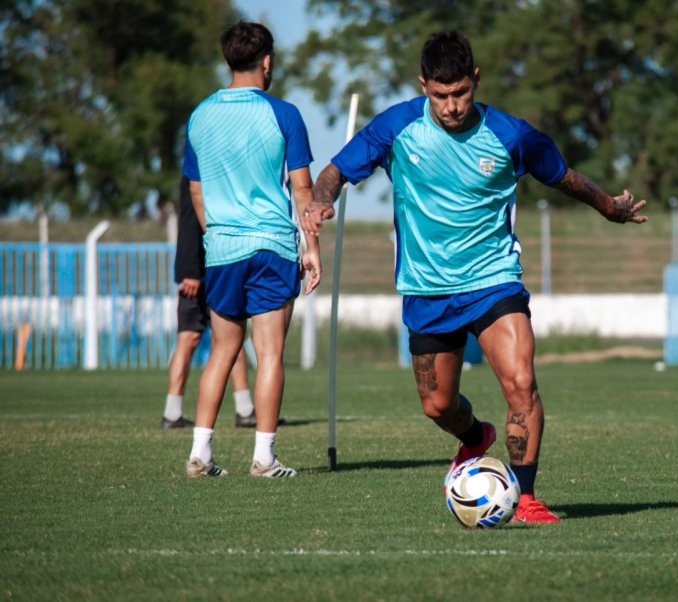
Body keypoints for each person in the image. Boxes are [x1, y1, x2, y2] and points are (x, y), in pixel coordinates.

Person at [302, 30, 648, 523]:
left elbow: (564, 177)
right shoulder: (397, 127)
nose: (451, 106)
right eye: (440, 95)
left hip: (493, 280)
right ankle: (475, 437)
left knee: (521, 382)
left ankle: (526, 498)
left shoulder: (512, 135)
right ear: (423, 86)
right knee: (438, 406)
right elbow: (335, 172)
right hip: (427, 289)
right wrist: (321, 201)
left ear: (476, 80)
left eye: (461, 92)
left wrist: (609, 207)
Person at [182, 21, 320, 477]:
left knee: (223, 351)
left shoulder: (200, 116)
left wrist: (217, 236)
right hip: (272, 246)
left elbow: (197, 191)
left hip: (223, 248)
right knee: (270, 353)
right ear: (267, 61)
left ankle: (200, 453)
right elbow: (303, 191)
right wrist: (312, 248)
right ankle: (264, 457)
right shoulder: (285, 114)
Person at [161, 176, 262, 430]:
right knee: (189, 337)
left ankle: (245, 409)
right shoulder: (197, 167)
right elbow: (189, 219)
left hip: (220, 264)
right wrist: (190, 271)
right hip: (199, 270)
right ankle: (172, 413)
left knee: (232, 335)